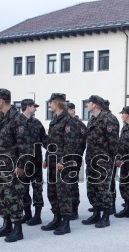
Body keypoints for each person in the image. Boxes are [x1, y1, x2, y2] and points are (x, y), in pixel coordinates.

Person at [0, 89, 28, 242]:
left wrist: (22, 165)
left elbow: (24, 145)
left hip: (12, 165)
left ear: (2, 100)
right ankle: (6, 225)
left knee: (13, 196)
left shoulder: (17, 119)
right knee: (0, 195)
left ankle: (17, 229)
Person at [39, 93, 77, 235]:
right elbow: (52, 143)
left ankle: (66, 223)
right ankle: (57, 218)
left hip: (63, 164)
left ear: (57, 103)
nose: (49, 105)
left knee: (64, 193)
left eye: (51, 103)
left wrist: (63, 161)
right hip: (53, 163)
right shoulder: (54, 120)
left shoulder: (68, 120)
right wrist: (47, 158)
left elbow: (70, 144)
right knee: (52, 192)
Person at [82, 95, 119, 228]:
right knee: (92, 188)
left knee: (103, 189)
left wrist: (111, 158)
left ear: (96, 104)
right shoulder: (92, 119)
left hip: (103, 161)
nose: (87, 105)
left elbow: (113, 143)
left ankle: (106, 216)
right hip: (91, 159)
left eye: (89, 103)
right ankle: (96, 213)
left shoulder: (109, 119)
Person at [19, 99, 48, 226]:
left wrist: (54, 149)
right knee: (23, 189)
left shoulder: (37, 123)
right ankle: (27, 213)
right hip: (22, 162)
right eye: (33, 107)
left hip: (36, 162)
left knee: (37, 189)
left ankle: (37, 215)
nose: (35, 109)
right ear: (27, 107)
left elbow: (44, 139)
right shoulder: (16, 122)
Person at [67, 102, 87, 220]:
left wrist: (76, 156)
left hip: (74, 159)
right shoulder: (64, 123)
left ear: (73, 110)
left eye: (68, 109)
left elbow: (82, 143)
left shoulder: (79, 124)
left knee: (73, 183)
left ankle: (74, 209)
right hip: (64, 159)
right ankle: (67, 208)